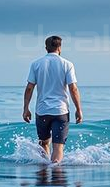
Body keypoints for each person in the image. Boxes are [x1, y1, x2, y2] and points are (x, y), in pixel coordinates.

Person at [22, 35, 82, 164]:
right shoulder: (67, 64)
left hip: (42, 111)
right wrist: (78, 109)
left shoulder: (36, 64)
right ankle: (56, 176)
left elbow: (29, 88)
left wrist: (26, 109)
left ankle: (43, 174)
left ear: (46, 48)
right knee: (58, 146)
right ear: (59, 48)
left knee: (43, 143)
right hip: (60, 111)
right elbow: (73, 89)